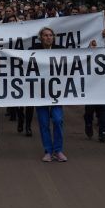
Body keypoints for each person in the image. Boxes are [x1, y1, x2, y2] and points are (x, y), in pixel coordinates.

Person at [31, 27, 67, 162]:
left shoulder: (61, 50)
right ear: (40, 37)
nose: (48, 37)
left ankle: (58, 150)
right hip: (39, 92)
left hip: (56, 92)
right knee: (44, 122)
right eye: (45, 35)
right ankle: (48, 151)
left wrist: (92, 48)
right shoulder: (33, 51)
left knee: (57, 120)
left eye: (50, 35)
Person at [84, 8, 105, 143]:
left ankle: (103, 132)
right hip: (90, 73)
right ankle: (88, 122)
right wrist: (89, 47)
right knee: (90, 106)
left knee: (104, 104)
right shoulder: (89, 30)